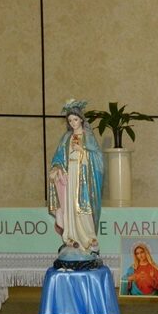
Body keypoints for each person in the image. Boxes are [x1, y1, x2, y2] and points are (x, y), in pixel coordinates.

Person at [48, 99, 104, 256]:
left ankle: (89, 239)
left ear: (81, 120)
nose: (73, 123)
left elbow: (98, 159)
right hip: (70, 177)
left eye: (75, 119)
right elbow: (58, 158)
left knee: (84, 208)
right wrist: (57, 168)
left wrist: (82, 151)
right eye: (70, 120)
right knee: (70, 207)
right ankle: (71, 237)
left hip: (84, 177)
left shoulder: (88, 137)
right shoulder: (66, 138)